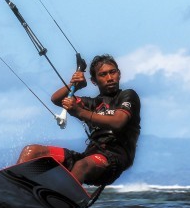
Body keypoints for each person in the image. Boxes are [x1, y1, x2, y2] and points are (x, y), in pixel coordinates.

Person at [17, 54, 140, 188]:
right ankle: (18, 187)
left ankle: (62, 197)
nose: (110, 78)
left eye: (113, 72)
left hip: (113, 161)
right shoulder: (91, 103)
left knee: (81, 165)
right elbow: (57, 99)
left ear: (119, 74)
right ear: (94, 81)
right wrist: (74, 85)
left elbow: (118, 122)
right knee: (32, 151)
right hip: (88, 157)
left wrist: (80, 112)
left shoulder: (127, 95)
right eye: (103, 74)